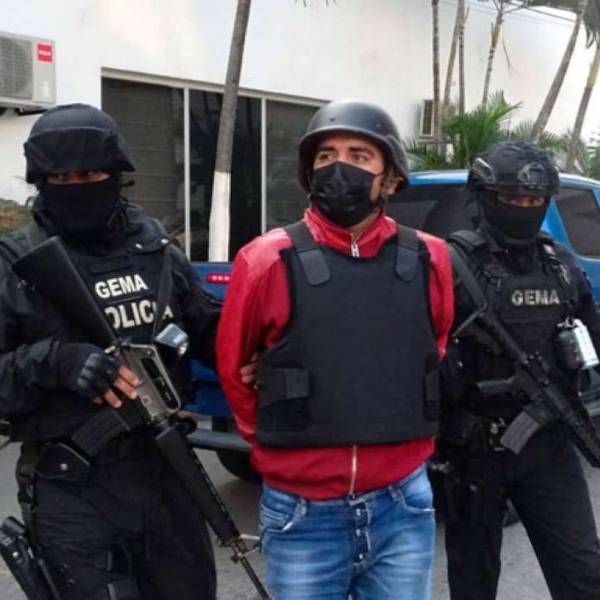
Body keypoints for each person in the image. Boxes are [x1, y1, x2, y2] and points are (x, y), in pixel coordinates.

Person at [217, 99, 454, 600]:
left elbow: (431, 346)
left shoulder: (429, 257)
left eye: (359, 155)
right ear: (309, 173)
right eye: (326, 156)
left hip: (402, 503)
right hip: (303, 511)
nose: (339, 166)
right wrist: (286, 453)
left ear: (390, 178)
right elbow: (235, 372)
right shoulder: (266, 259)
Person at [0, 103, 220, 599]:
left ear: (117, 175)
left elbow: (210, 331)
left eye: (91, 174)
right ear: (41, 180)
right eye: (62, 177)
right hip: (74, 489)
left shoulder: (156, 250)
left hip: (167, 476)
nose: (77, 186)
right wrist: (55, 363)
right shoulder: (15, 263)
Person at [439, 140, 600, 600]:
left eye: (535, 201)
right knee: (473, 585)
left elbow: (593, 337)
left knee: (584, 576)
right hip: (473, 451)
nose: (524, 209)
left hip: (549, 445)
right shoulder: (449, 265)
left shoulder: (561, 265)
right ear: (483, 197)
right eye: (512, 199)